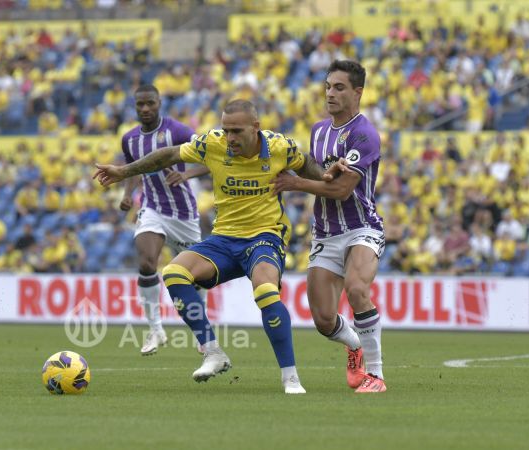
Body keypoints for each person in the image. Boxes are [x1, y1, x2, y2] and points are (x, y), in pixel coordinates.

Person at [95, 99, 339, 394]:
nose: (230, 138)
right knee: (173, 272)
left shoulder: (279, 147)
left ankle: (290, 377)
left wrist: (328, 179)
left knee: (264, 290)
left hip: (265, 236)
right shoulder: (213, 143)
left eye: (236, 131)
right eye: (226, 130)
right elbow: (168, 155)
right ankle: (213, 352)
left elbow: (306, 164)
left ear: (256, 128)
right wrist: (125, 171)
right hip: (223, 239)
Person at [270, 60, 387, 393]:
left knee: (356, 289)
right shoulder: (319, 130)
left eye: (339, 87)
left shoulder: (364, 134)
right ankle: (355, 346)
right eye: (328, 86)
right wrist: (311, 174)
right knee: (323, 320)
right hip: (325, 233)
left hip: (362, 227)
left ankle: (376, 376)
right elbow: (320, 177)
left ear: (357, 92)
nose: (330, 93)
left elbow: (341, 189)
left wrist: (295, 184)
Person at [119, 84, 210, 356]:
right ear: (135, 107)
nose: (145, 109)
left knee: (198, 277)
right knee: (147, 261)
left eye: (150, 103)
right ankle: (155, 329)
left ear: (159, 103)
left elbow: (211, 157)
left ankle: (202, 332)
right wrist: (127, 194)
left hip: (184, 214)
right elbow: (134, 169)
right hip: (152, 208)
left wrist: (186, 175)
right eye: (140, 105)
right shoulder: (129, 139)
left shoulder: (178, 131)